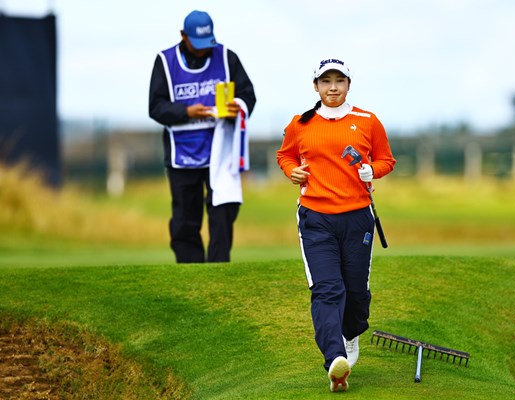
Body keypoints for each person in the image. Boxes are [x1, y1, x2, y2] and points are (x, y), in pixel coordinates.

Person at [276, 58, 396, 392]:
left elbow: (387, 159)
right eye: (325, 81)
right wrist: (291, 171)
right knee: (328, 289)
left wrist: (374, 170)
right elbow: (284, 155)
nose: (332, 87)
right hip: (316, 218)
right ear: (315, 86)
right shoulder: (301, 123)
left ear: (348, 85)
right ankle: (334, 359)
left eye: (339, 81)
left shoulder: (368, 121)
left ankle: (351, 333)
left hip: (358, 217)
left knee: (356, 293)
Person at [149, 10, 256, 263]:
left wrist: (237, 106)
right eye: (196, 45)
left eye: (206, 44)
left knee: (223, 211)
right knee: (185, 217)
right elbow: (156, 107)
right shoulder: (165, 61)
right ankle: (190, 269)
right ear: (183, 36)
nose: (202, 51)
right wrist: (186, 111)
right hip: (181, 154)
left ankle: (219, 268)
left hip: (221, 152)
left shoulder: (227, 57)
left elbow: (248, 95)